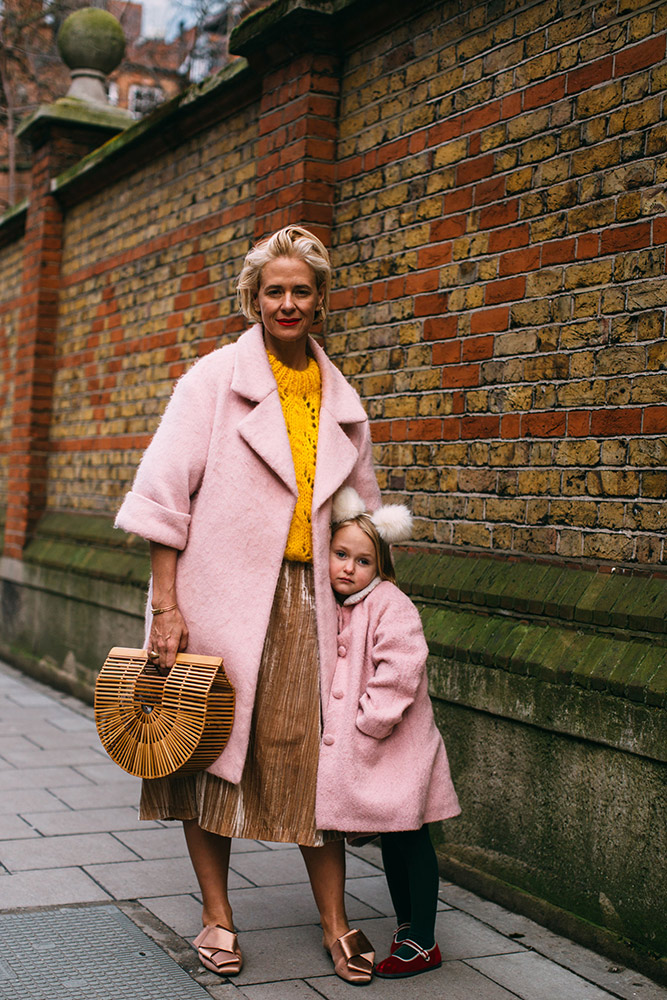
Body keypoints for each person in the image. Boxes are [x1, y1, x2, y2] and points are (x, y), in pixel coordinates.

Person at [114, 225, 381, 984]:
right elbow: (163, 499)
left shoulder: (342, 399)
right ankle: (217, 915)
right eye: (273, 291)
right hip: (218, 598)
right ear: (252, 299)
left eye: (300, 290)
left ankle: (335, 922)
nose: (287, 303)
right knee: (206, 754)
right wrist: (166, 607)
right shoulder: (210, 380)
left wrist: (372, 608)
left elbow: (362, 516)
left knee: (316, 759)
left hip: (311, 601)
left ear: (320, 300)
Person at [317, 485, 461, 979]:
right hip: (378, 749)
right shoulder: (339, 604)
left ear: (380, 567)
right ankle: (408, 929)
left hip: (398, 745)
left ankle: (422, 938)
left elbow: (401, 667)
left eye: (362, 561)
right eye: (340, 555)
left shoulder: (390, 605)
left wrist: (369, 720)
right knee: (395, 838)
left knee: (412, 836)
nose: (348, 567)